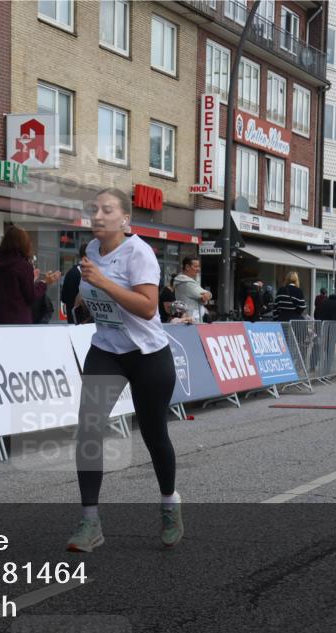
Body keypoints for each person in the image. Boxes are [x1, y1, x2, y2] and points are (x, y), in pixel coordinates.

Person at [69, 187, 180, 552]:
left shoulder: (139, 253)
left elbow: (148, 308)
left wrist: (103, 283)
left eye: (107, 209)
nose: (98, 215)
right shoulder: (90, 250)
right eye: (94, 208)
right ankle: (90, 522)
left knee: (153, 434)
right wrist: (85, 300)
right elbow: (95, 295)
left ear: (125, 219)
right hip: (107, 350)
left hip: (148, 354)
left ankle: (169, 503)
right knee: (88, 429)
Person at [0, 226, 60, 325]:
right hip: (18, 321)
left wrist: (31, 279)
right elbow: (31, 297)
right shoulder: (23, 266)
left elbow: (11, 288)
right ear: (23, 244)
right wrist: (45, 282)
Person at [172, 257, 211, 323]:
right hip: (191, 322)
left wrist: (206, 296)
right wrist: (208, 294)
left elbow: (203, 297)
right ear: (187, 267)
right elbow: (205, 295)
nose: (198, 269)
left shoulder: (183, 281)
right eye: (196, 266)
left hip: (187, 320)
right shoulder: (187, 283)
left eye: (199, 266)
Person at [61, 243, 87, 325]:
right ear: (85, 257)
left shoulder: (70, 272)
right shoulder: (84, 274)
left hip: (72, 318)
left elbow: (64, 298)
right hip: (83, 321)